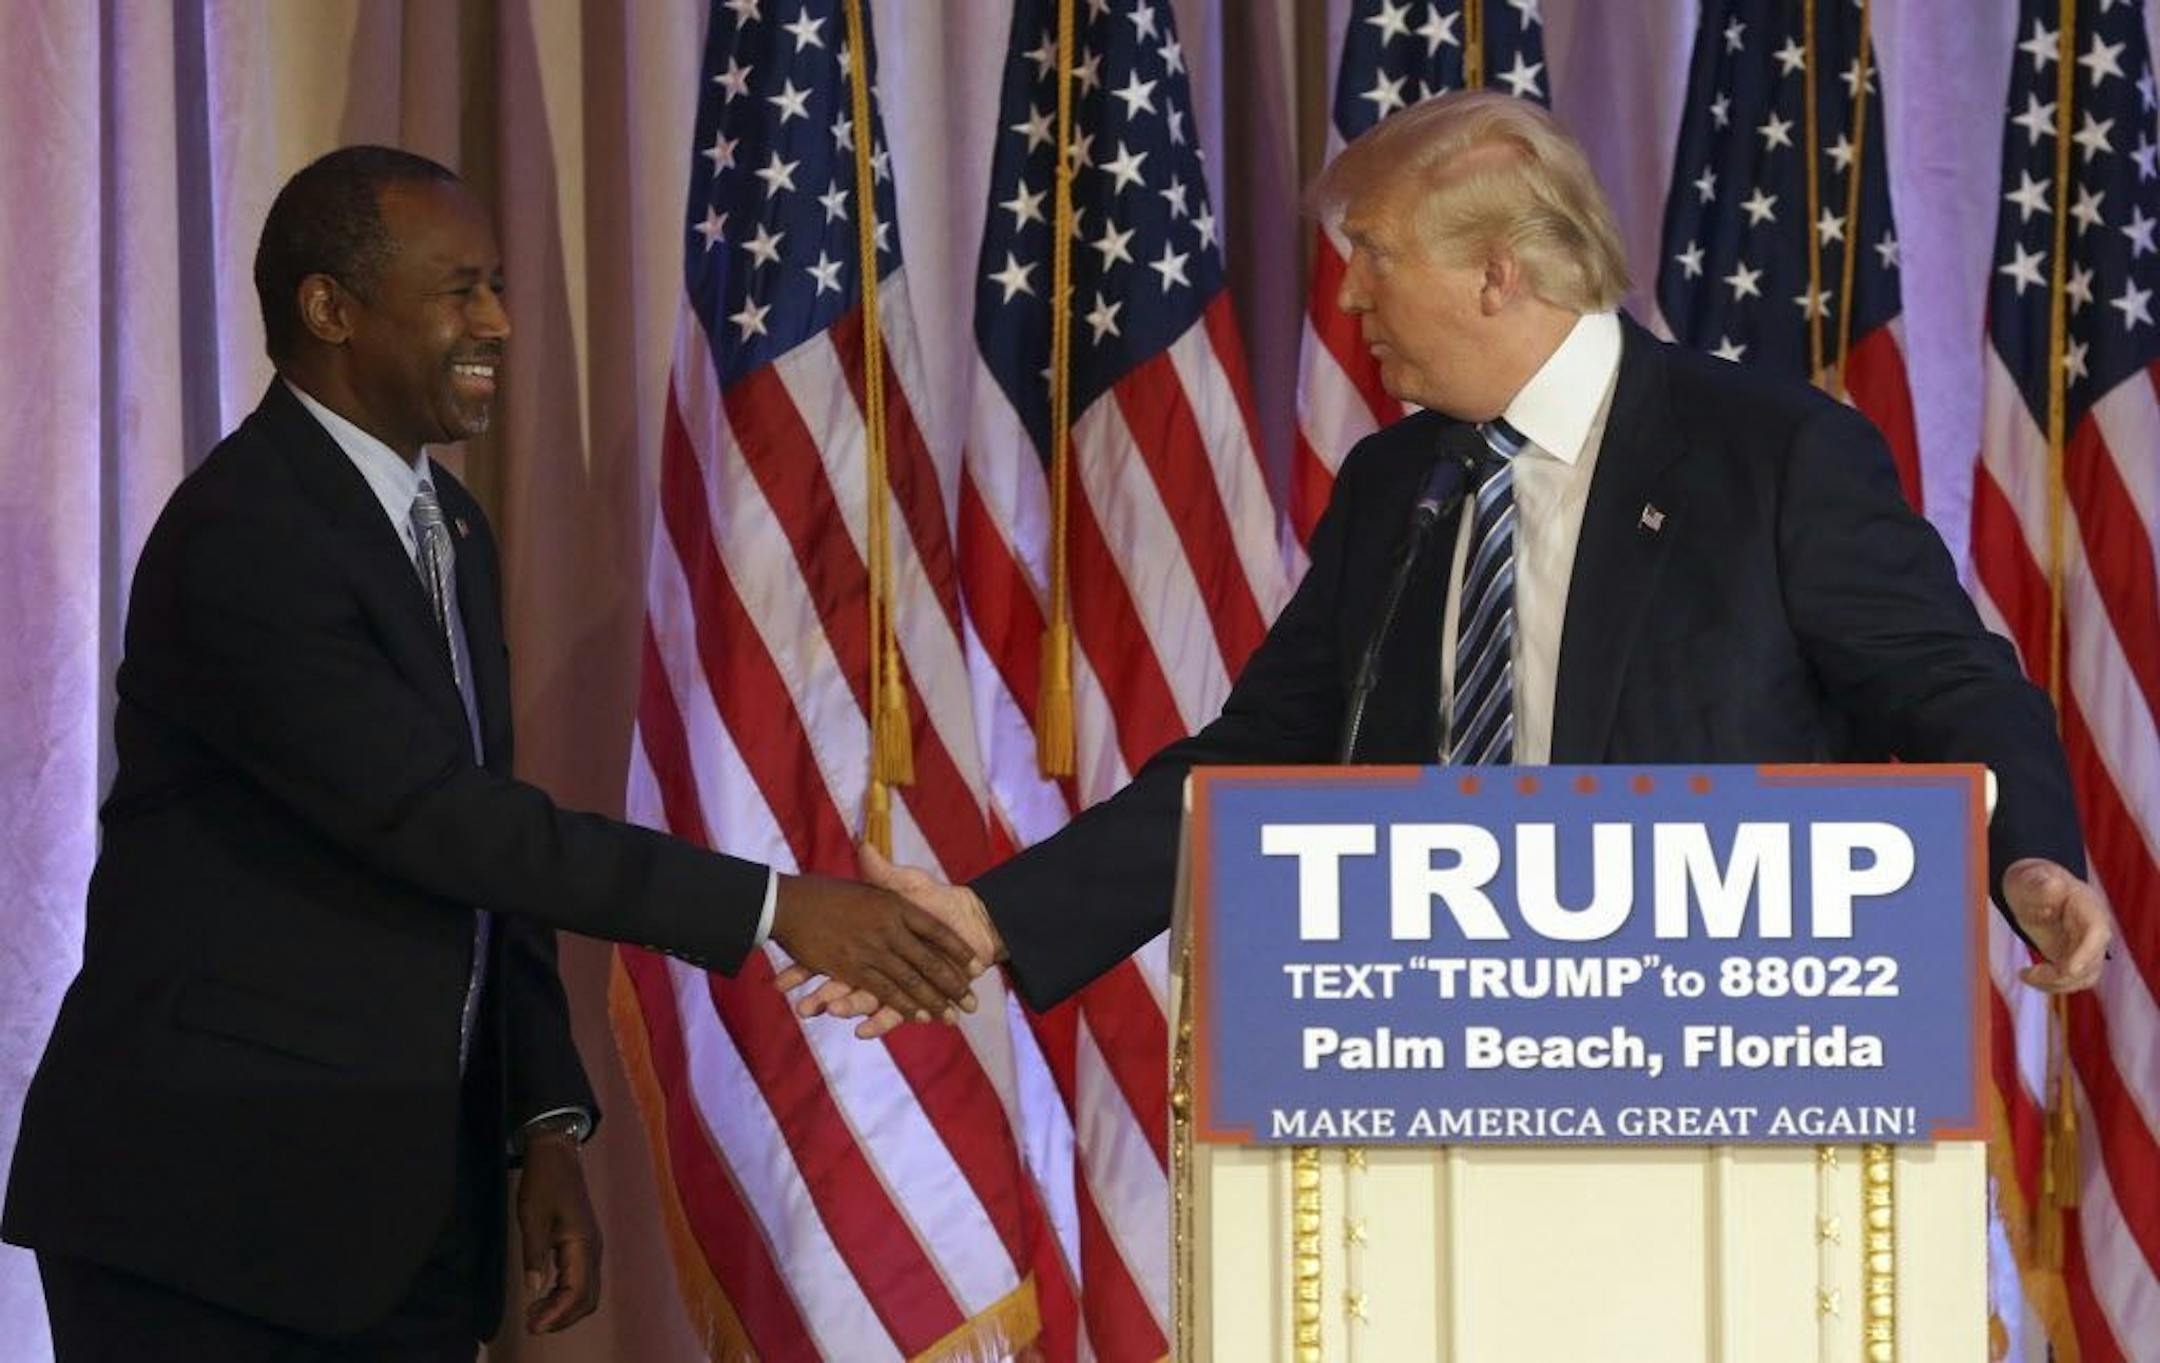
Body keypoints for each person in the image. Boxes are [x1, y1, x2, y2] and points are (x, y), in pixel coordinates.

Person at [787, 90, 2114, 1031]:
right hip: (1420, 1056)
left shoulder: (1769, 454)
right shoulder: (1397, 481)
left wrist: (2032, 857)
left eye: (1371, 257)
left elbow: (1953, 688)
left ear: (1498, 273)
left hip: (1703, 1063)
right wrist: (991, 915)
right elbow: (1260, 755)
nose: (1349, 297)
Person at [3, 145, 981, 1362]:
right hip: (212, 1218)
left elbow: (487, 841)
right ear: (331, 309)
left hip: (399, 1212)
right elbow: (440, 823)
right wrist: (776, 907)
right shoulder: (246, 535)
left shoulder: (446, 525)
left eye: (501, 286)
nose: (500, 324)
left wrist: (544, 1123)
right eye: (461, 288)